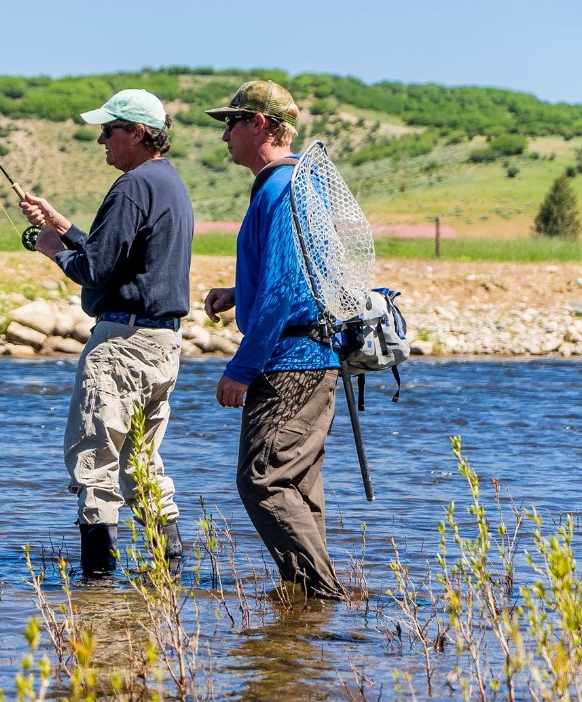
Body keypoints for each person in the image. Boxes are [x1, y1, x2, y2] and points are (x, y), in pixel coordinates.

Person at [19, 89, 193, 577]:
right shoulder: (168, 183)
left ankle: (96, 587)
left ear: (137, 133)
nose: (101, 140)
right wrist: (64, 226)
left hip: (122, 347)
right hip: (162, 346)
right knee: (143, 466)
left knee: (95, 464)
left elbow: (95, 270)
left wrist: (53, 250)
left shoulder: (133, 186)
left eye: (109, 130)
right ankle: (169, 574)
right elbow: (123, 257)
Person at [202, 80, 348, 599]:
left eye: (231, 123)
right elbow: (289, 276)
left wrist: (241, 369)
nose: (224, 136)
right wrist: (239, 290)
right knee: (298, 486)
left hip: (291, 361)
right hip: (312, 356)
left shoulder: (280, 187)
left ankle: (323, 595)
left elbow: (285, 289)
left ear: (258, 125)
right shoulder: (292, 184)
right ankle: (306, 612)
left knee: (262, 481)